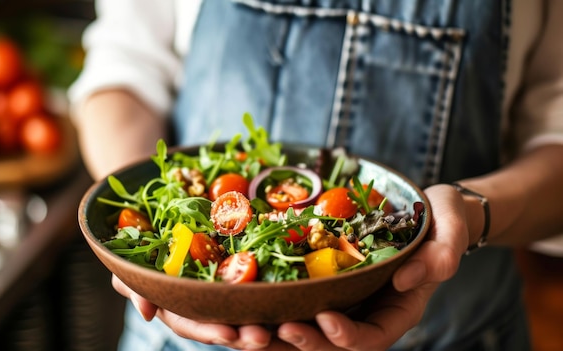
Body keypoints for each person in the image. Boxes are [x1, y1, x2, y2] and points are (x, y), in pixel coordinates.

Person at [68, 0, 563, 350]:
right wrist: (147, 236)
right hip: (181, 336)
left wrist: (469, 213)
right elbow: (124, 68)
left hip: (449, 332)